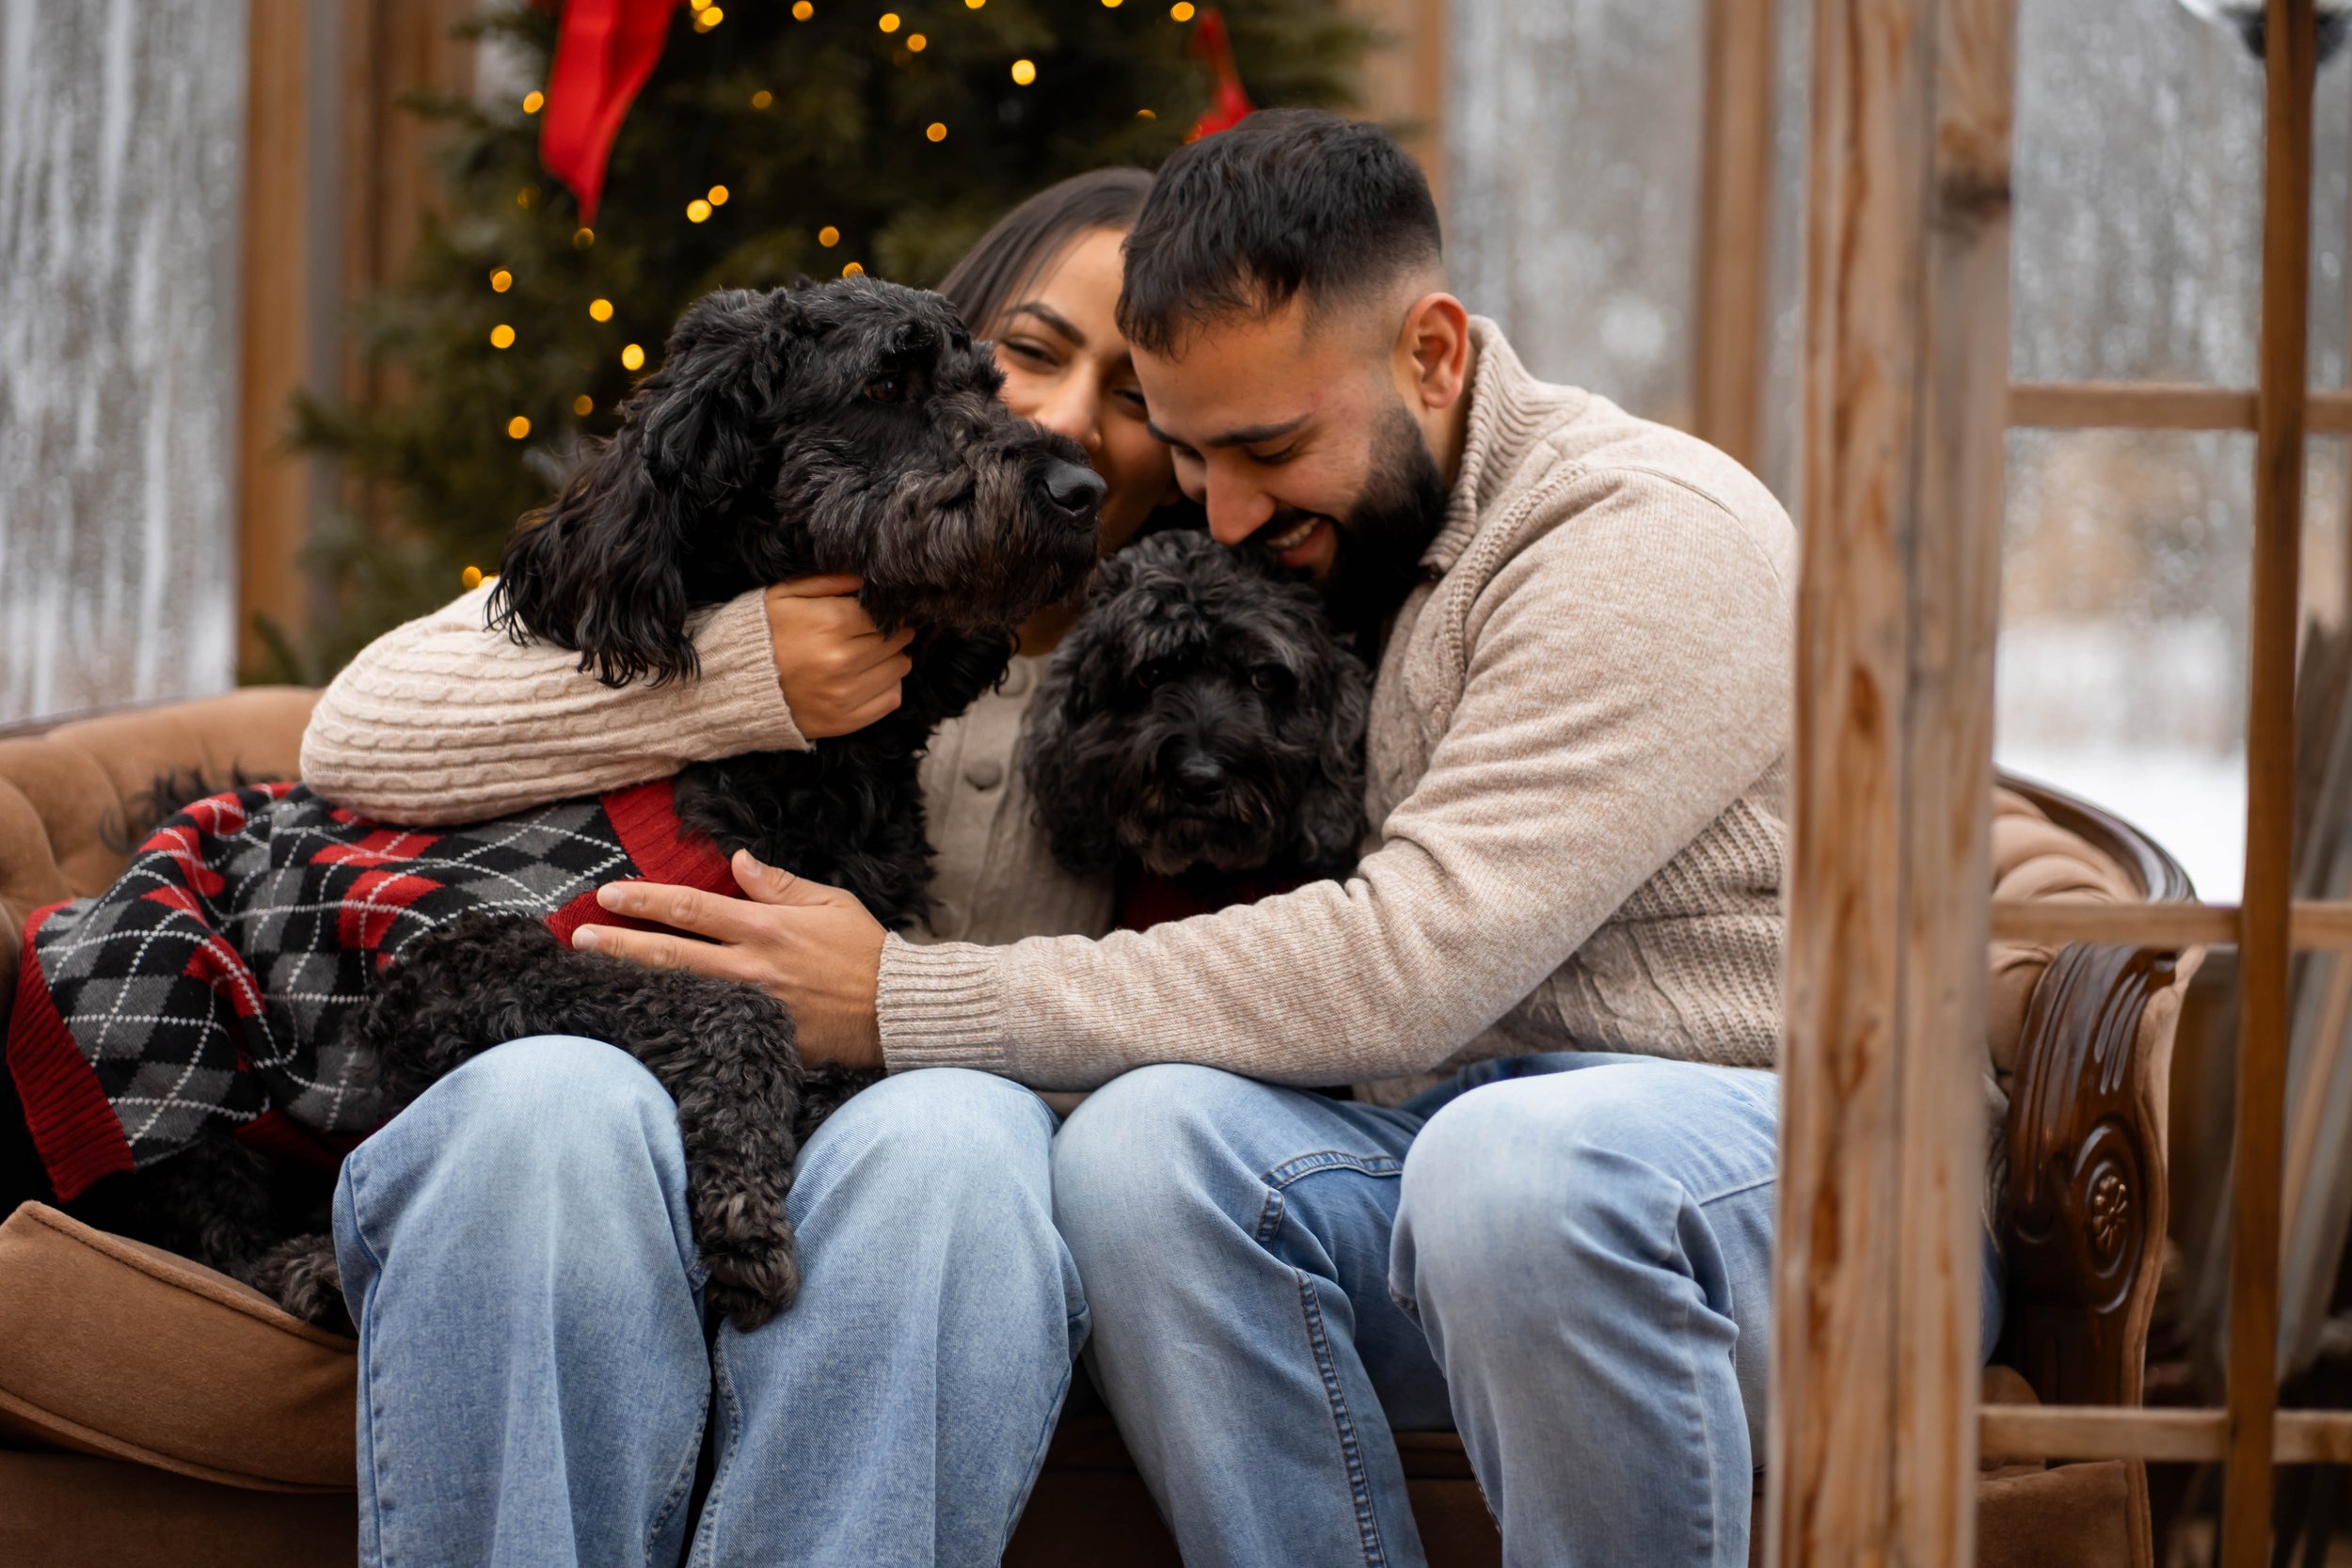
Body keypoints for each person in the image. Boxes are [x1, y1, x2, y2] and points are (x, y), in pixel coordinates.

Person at [299, 168, 1184, 1567]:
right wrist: (741, 679)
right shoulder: (725, 581)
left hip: (892, 1148)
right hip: (612, 1106)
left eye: (1137, 393)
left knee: (957, 1143)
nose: (1066, 425)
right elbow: (352, 730)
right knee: (545, 1102)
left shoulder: (1190, 673)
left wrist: (898, 998)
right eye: (1032, 352)